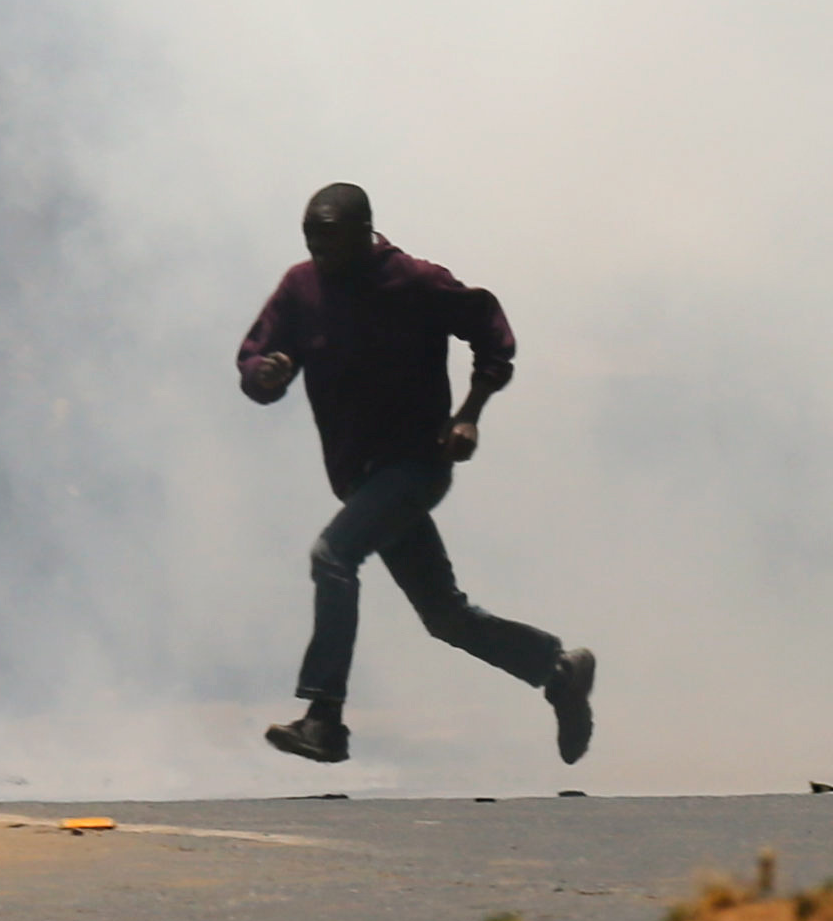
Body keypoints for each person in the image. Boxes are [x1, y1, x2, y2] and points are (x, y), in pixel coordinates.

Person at [238, 183, 593, 768]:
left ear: (365, 234)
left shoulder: (414, 281)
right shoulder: (301, 288)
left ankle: (324, 718)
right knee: (445, 616)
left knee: (333, 556)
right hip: (358, 475)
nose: (320, 254)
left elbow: (491, 332)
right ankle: (558, 672)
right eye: (311, 240)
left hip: (416, 466)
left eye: (332, 241)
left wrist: (470, 414)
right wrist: (268, 372)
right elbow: (255, 361)